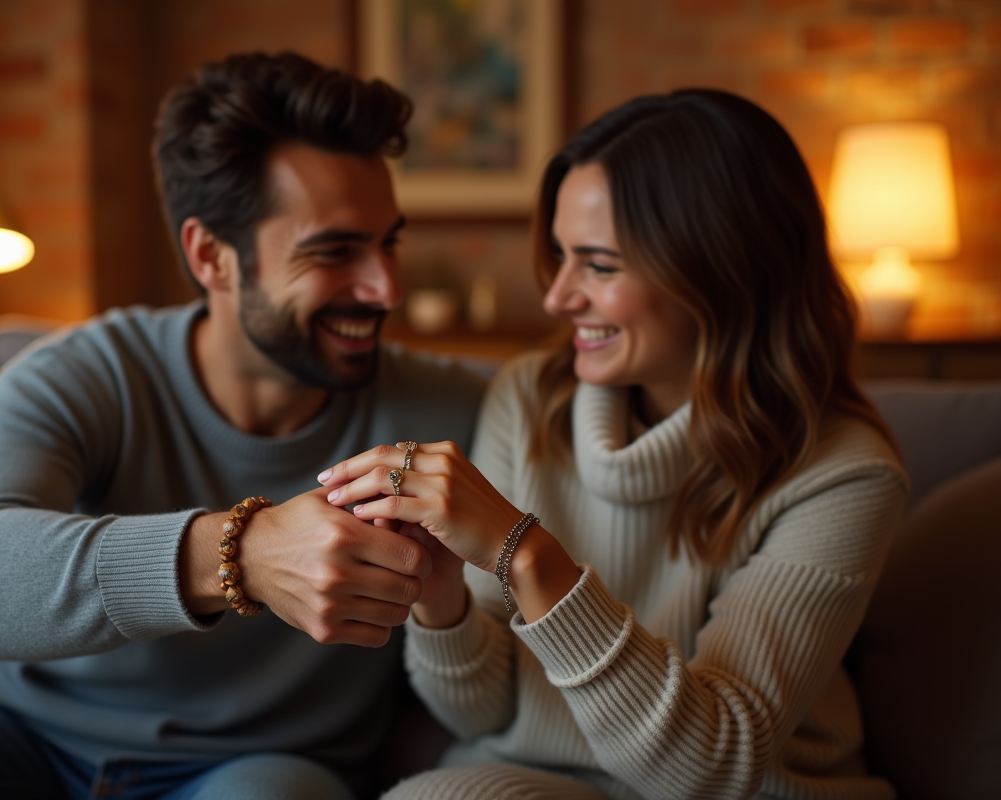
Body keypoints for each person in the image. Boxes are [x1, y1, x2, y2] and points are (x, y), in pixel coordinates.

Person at [0, 52, 485, 800]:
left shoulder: (454, 412)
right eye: (334, 251)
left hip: (251, 770)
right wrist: (242, 552)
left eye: (388, 241)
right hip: (22, 743)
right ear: (210, 256)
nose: (385, 287)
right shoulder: (87, 371)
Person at [321, 89, 909, 800]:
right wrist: (441, 599)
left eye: (599, 266)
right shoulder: (530, 397)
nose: (558, 296)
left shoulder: (844, 474)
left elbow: (709, 768)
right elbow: (479, 710)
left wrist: (525, 552)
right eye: (562, 257)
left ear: (720, 272)